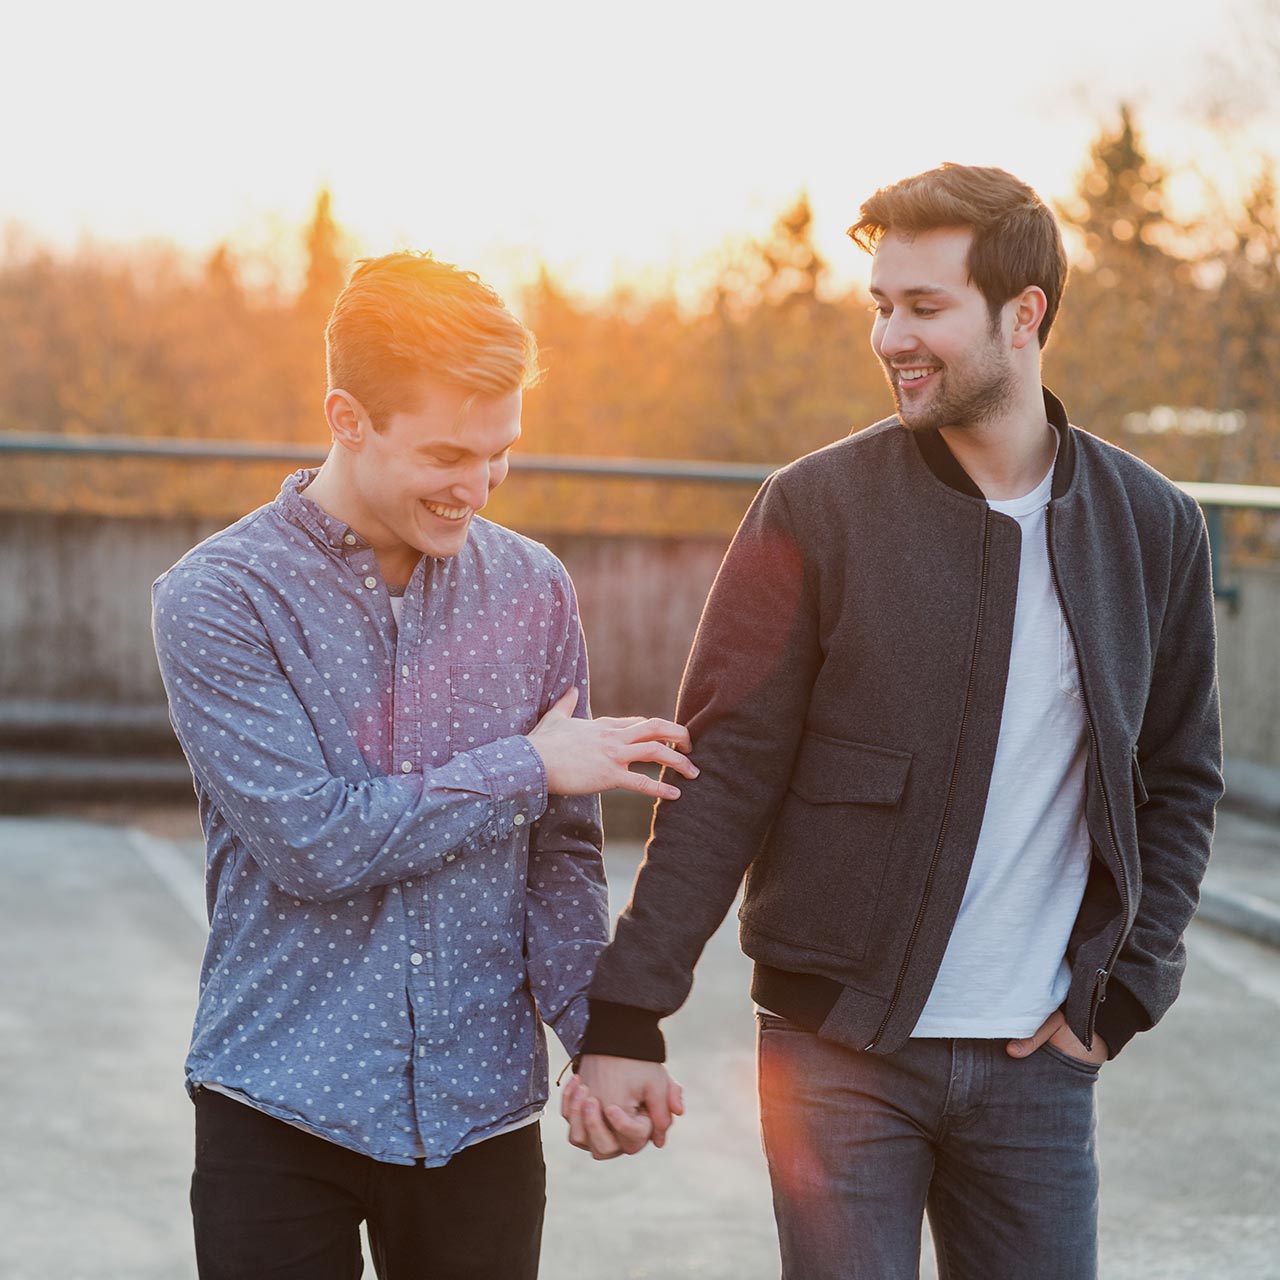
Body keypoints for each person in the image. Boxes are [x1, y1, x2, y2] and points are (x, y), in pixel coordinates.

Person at [563, 165, 1223, 1279]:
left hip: (1037, 1064)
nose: (888, 336)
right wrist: (627, 1010)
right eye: (879, 304)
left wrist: (1120, 993)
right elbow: (719, 777)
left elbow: (1177, 777)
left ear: (1025, 316)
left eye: (923, 307)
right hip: (836, 1054)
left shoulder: (1151, 526)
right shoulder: (814, 507)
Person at [151, 251, 695, 1280]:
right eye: (448, 453)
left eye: (500, 453)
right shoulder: (218, 597)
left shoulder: (533, 586)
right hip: (277, 1103)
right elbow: (313, 838)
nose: (477, 486)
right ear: (346, 417)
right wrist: (524, 767)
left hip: (478, 1116)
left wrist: (601, 1038)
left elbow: (560, 860)